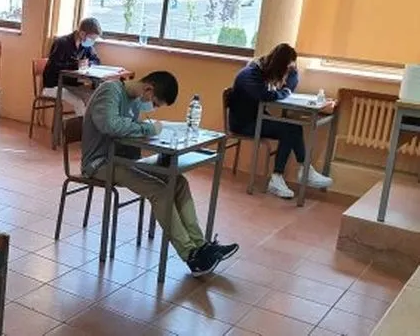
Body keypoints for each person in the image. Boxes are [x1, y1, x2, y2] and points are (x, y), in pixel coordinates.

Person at [81, 72, 239, 276]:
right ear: (149, 89)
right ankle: (191, 255)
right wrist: (148, 129)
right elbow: (110, 126)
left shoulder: (134, 100)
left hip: (124, 160)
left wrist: (151, 132)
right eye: (154, 103)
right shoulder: (110, 91)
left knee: (178, 182)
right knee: (160, 190)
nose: (152, 107)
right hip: (100, 162)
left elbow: (130, 131)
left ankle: (201, 246)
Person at [229, 43, 334, 199]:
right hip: (244, 124)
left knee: (293, 128)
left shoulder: (264, 71)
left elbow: (290, 83)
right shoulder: (249, 74)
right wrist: (285, 91)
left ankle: (300, 171)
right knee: (289, 129)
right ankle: (284, 176)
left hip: (257, 118)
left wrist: (293, 72)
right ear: (278, 66)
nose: (285, 75)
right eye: (285, 70)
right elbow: (266, 96)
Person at [42, 17, 103, 116]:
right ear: (82, 33)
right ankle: (81, 126)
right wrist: (75, 65)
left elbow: (96, 60)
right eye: (91, 38)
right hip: (55, 85)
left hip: (72, 84)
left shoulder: (86, 46)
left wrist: (88, 63)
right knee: (79, 102)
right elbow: (54, 66)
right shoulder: (62, 43)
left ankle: (86, 124)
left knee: (94, 97)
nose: (92, 41)